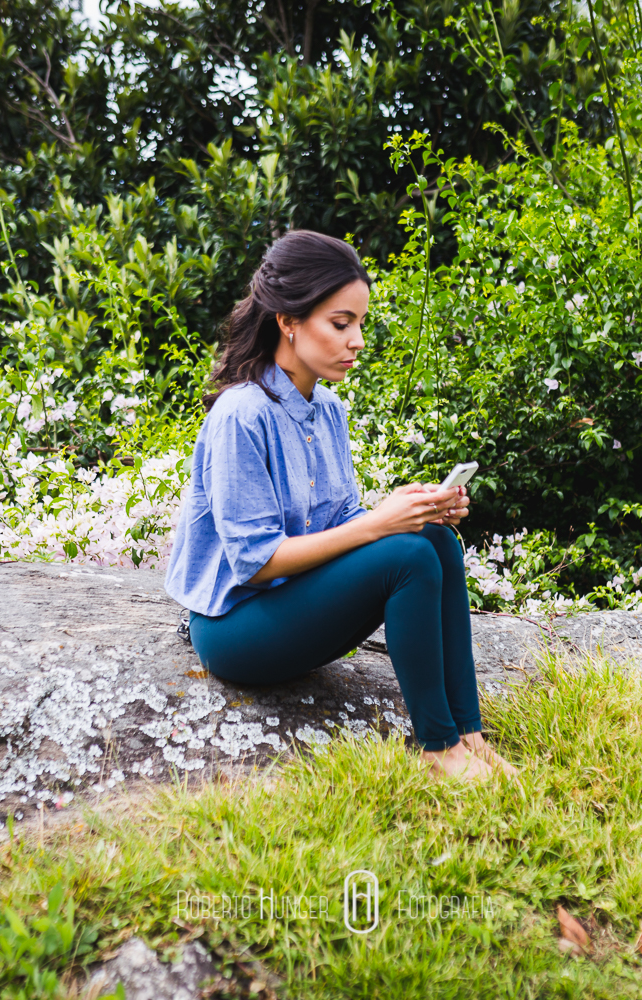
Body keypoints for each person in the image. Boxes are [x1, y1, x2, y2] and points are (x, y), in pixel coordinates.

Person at [163, 230, 518, 782]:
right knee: (408, 558)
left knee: (436, 542)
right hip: (234, 628)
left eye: (359, 324)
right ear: (288, 321)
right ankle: (437, 748)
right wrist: (379, 527)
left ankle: (468, 733)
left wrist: (405, 509)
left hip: (294, 603)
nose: (356, 341)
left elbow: (338, 526)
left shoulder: (327, 409)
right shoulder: (241, 415)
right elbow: (255, 564)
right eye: (340, 323)